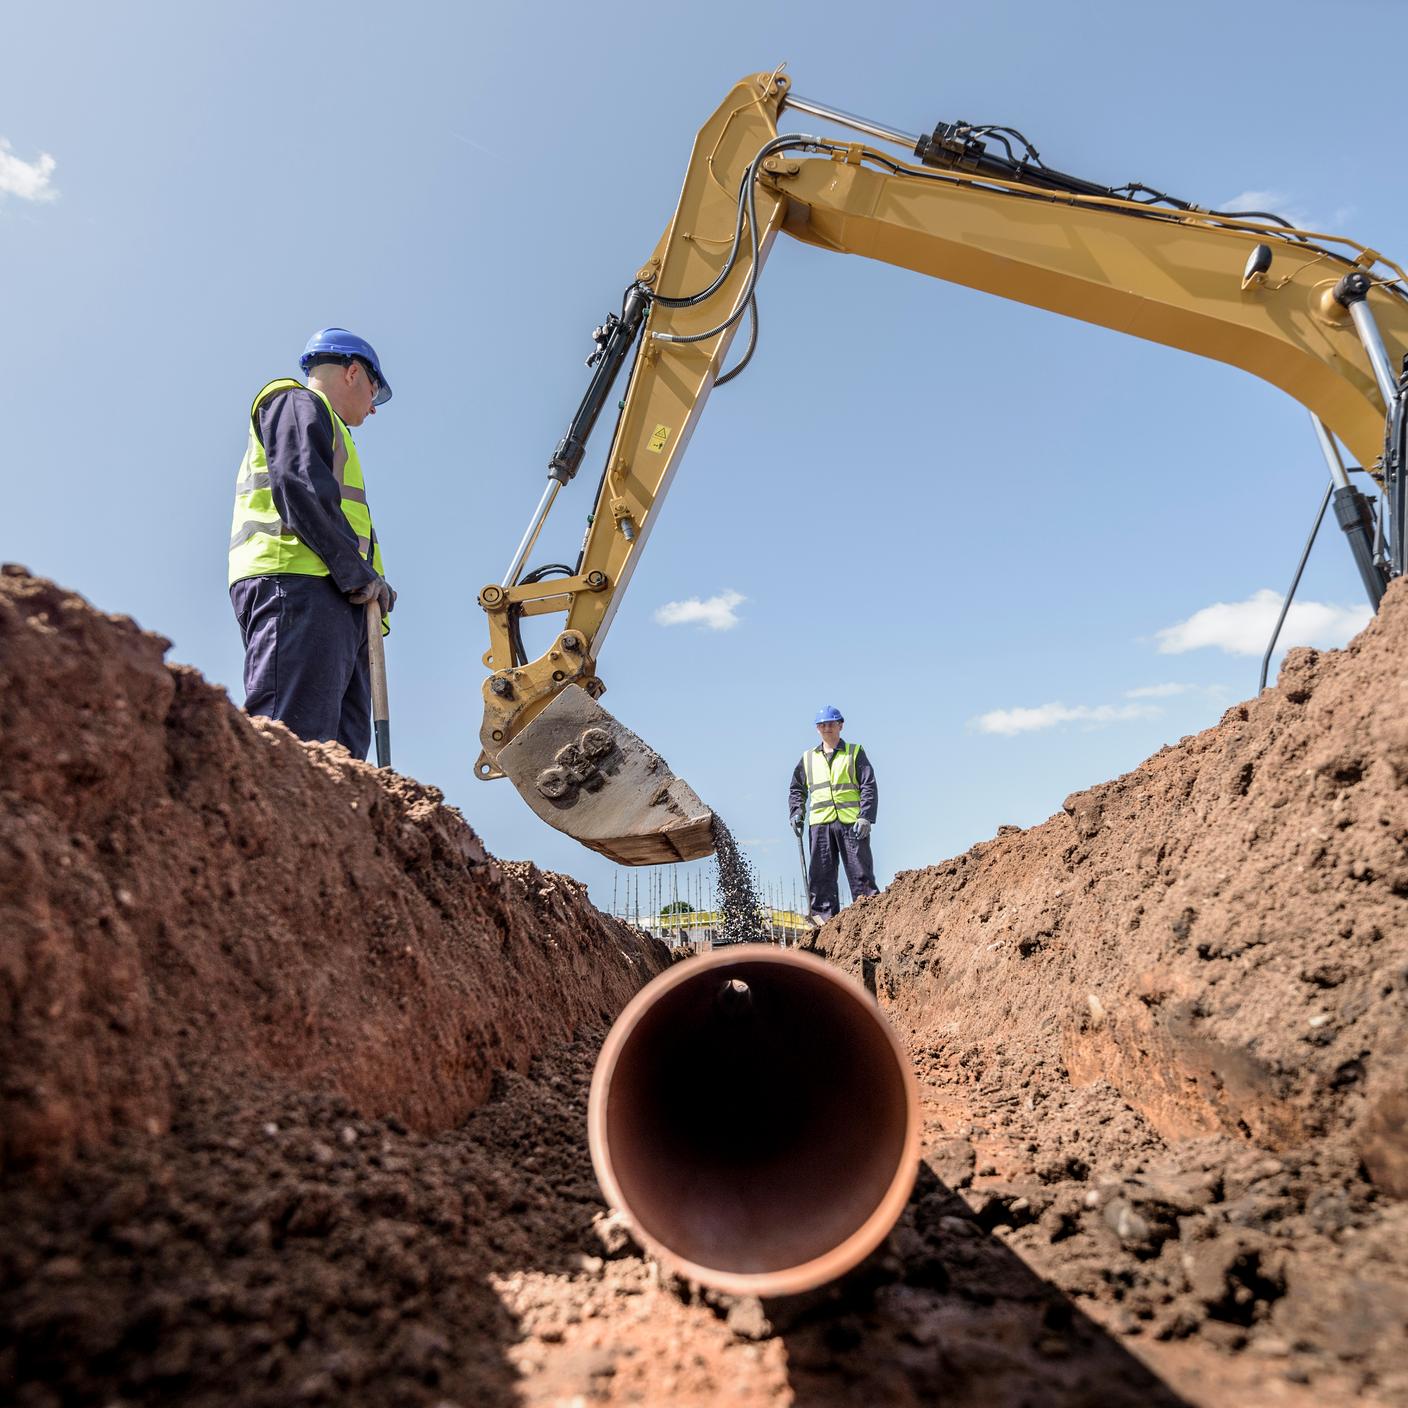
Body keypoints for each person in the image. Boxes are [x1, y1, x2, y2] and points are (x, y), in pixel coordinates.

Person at [228, 328, 395, 760]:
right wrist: (358, 573)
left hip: (340, 596)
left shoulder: (335, 431)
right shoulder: (296, 402)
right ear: (354, 372)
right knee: (292, 739)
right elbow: (300, 488)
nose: (374, 408)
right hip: (299, 583)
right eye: (375, 390)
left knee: (341, 757)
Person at [788, 706, 879, 922]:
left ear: (840, 725)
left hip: (851, 823)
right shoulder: (808, 758)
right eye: (822, 724)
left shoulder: (855, 752)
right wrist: (796, 811)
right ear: (817, 729)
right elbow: (796, 789)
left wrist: (866, 816)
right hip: (820, 824)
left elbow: (868, 785)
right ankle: (824, 920)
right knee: (821, 876)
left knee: (860, 873)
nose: (826, 728)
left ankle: (870, 915)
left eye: (830, 723)